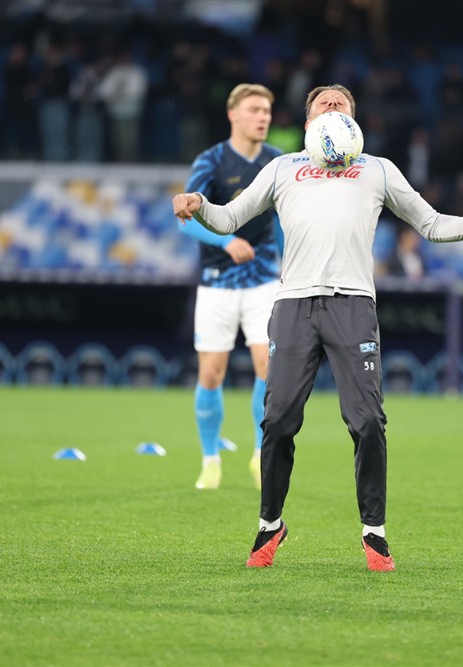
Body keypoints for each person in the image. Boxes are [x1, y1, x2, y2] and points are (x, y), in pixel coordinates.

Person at [173, 84, 463, 572]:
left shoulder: (378, 169)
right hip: (293, 305)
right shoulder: (283, 168)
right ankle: (270, 524)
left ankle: (374, 532)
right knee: (278, 421)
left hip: (353, 305)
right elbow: (229, 218)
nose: (332, 104)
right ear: (308, 121)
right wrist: (198, 204)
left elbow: (431, 223)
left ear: (354, 120)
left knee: (367, 421)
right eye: (323, 102)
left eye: (341, 103)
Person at [179, 83, 283, 491]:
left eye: (267, 111)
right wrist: (226, 241)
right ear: (233, 114)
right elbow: (185, 220)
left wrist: (290, 262)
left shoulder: (277, 162)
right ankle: (210, 461)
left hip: (263, 280)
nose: (262, 117)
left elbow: (284, 221)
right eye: (254, 110)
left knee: (268, 368)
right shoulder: (211, 161)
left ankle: (260, 455)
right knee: (211, 373)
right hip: (217, 282)